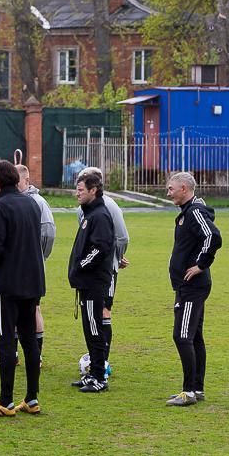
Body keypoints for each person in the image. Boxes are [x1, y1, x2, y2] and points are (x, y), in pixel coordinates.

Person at [0, 160, 45, 417]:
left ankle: (6, 401)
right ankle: (32, 398)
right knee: (29, 339)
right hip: (33, 281)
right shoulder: (31, 203)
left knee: (4, 340)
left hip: (7, 283)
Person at [0, 164, 55, 367]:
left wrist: (38, 257)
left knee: (33, 311)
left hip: (30, 268)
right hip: (16, 269)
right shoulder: (11, 202)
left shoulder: (36, 202)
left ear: (26, 180)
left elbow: (48, 234)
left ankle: (35, 355)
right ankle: (13, 355)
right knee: (14, 315)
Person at [164, 172, 221, 407]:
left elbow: (213, 237)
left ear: (184, 189)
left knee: (182, 336)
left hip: (192, 287)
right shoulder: (187, 212)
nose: (168, 193)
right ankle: (197, 388)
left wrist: (200, 264)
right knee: (194, 336)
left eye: (171, 189)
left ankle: (188, 392)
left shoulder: (195, 212)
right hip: (186, 285)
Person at [76, 166, 128, 374]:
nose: (78, 191)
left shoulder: (108, 207)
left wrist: (116, 257)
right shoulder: (83, 208)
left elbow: (122, 237)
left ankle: (101, 364)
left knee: (103, 311)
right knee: (92, 317)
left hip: (103, 270)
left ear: (95, 186)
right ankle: (97, 361)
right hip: (89, 272)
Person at [67, 172, 115, 393]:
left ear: (93, 190)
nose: (77, 194)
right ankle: (93, 373)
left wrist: (80, 266)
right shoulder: (90, 214)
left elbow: (100, 248)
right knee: (89, 329)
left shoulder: (100, 216)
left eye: (80, 190)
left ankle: (99, 377)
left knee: (95, 329)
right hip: (86, 283)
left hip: (94, 283)